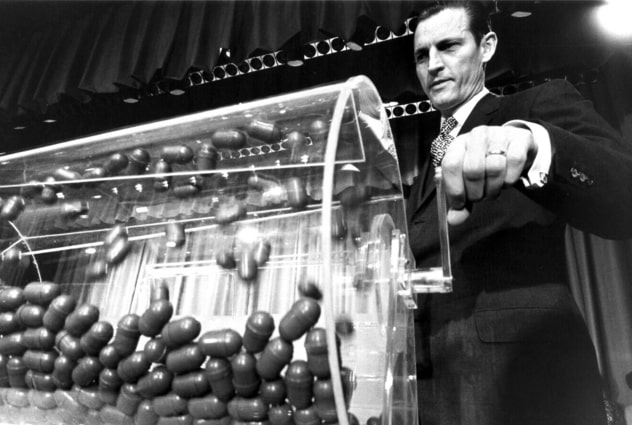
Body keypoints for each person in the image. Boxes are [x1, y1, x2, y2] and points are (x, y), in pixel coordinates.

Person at [406, 1, 632, 425]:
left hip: (524, 388)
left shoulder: (534, 107)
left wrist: (533, 145)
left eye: (449, 46)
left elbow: (625, 196)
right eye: (422, 55)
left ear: (486, 46)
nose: (433, 64)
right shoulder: (428, 162)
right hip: (431, 392)